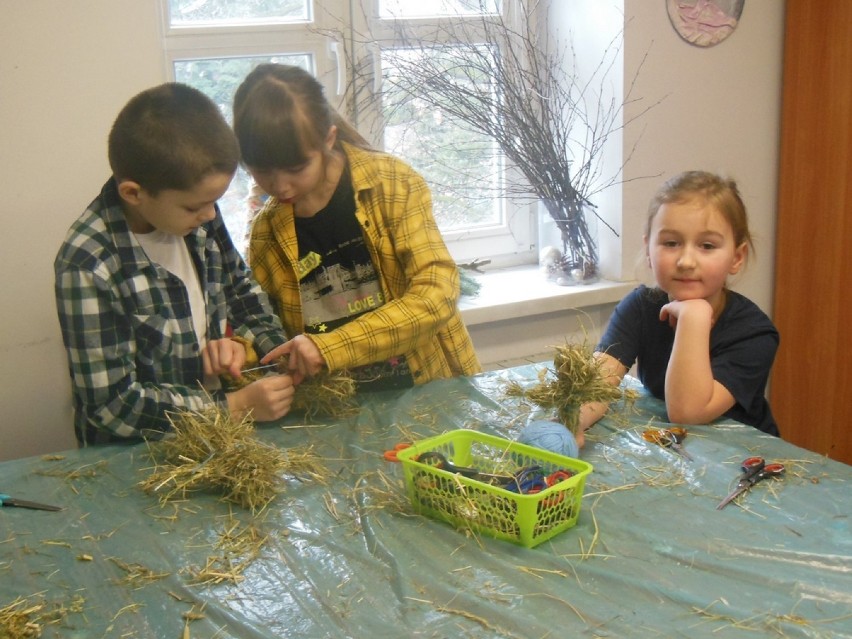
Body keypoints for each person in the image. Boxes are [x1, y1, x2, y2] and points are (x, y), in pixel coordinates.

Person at [55, 83, 296, 446]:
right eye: (195, 206)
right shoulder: (88, 264)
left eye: (216, 200)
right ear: (133, 194)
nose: (211, 214)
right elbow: (112, 405)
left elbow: (240, 293)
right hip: (140, 456)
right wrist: (233, 407)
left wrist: (275, 356)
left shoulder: (196, 209)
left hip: (218, 439)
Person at [231, 63, 480, 390]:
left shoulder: (392, 184)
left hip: (425, 386)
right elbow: (267, 324)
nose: (281, 186)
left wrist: (330, 347)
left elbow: (437, 292)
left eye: (296, 168)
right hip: (340, 408)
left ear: (329, 139)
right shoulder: (267, 232)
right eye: (262, 171)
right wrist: (240, 349)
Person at [577, 170, 779, 446]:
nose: (685, 260)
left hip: (740, 456)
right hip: (674, 453)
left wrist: (693, 320)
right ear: (649, 249)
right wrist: (570, 425)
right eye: (671, 243)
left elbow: (687, 412)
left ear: (737, 257)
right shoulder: (639, 307)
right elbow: (596, 387)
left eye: (707, 246)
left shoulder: (755, 334)